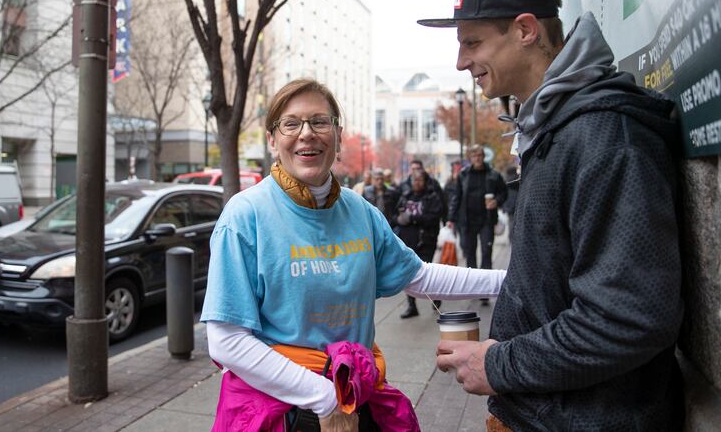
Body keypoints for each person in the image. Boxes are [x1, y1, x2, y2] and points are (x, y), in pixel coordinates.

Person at [419, 0, 683, 430]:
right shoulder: (553, 128)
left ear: (525, 30)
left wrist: (496, 365)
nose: (461, 62)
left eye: (472, 42)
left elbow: (627, 319)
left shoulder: (605, 137)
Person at [201, 78, 507, 431]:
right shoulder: (244, 216)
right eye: (290, 123)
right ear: (272, 140)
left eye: (319, 121)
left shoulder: (360, 211)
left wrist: (511, 280)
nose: (306, 134)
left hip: (356, 397)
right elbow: (226, 341)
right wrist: (326, 399)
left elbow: (419, 276)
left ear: (338, 135)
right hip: (280, 412)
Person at [447, 144, 507, 273]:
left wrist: (496, 201)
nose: (477, 158)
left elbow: (503, 192)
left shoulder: (493, 174)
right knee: (469, 253)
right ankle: (472, 283)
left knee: (486, 252)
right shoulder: (463, 175)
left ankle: (486, 282)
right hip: (468, 220)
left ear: (484, 157)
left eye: (479, 155)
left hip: (487, 219)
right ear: (470, 158)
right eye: (474, 156)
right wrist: (451, 218)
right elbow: (456, 197)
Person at [393, 169, 444, 318]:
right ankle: (412, 306)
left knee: (426, 272)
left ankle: (435, 296)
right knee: (409, 273)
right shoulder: (405, 196)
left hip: (426, 239)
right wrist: (399, 219)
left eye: (420, 180)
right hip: (408, 239)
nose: (417, 183)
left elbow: (434, 217)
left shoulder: (432, 197)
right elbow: (395, 215)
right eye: (415, 180)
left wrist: (414, 218)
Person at [501, 164, 519, 244]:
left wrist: (504, 206)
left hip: (509, 205)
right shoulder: (518, 179)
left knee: (511, 222)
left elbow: (503, 194)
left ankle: (511, 239)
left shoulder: (505, 180)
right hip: (517, 203)